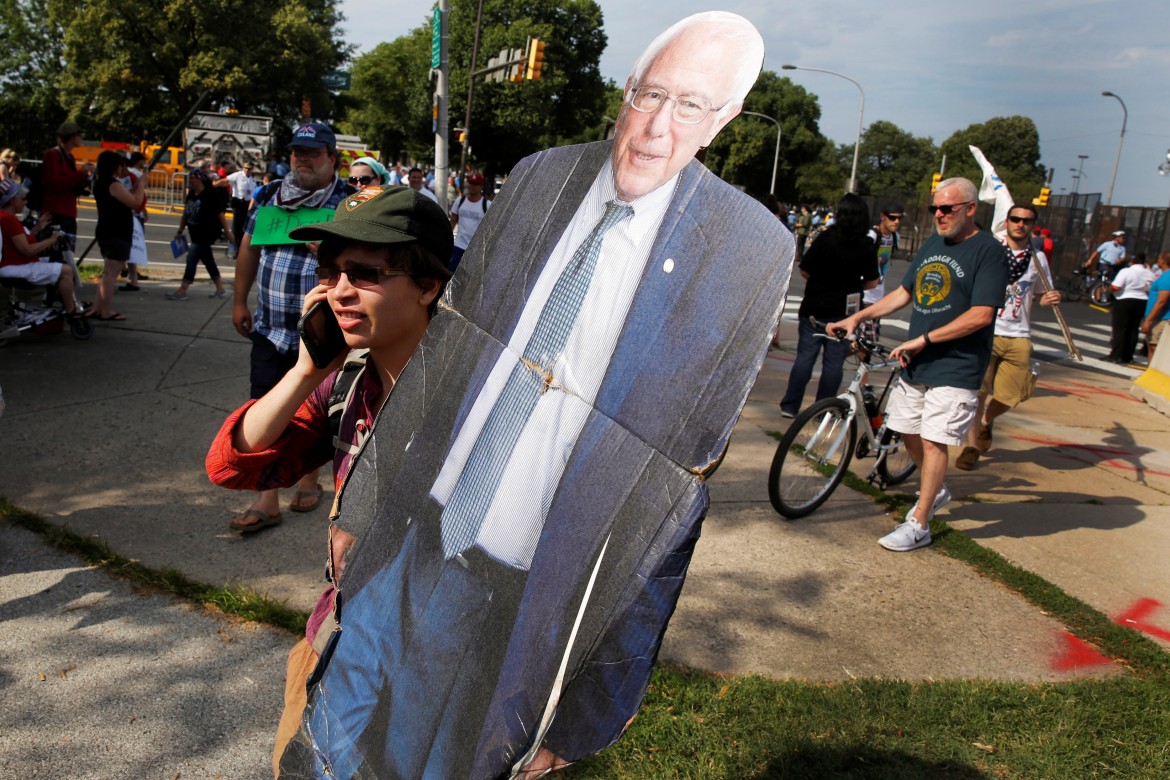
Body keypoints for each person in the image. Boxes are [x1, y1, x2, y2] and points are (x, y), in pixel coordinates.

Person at [276, 13, 792, 778]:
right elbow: (445, 356)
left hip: (513, 589)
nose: (657, 129)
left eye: (692, 107)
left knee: (415, 764)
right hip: (416, 529)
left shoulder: (744, 250)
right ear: (625, 93)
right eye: (652, 96)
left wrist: (585, 707)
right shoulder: (543, 178)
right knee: (321, 741)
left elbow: (668, 503)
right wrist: (365, 504)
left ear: (724, 122)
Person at [205, 185, 453, 776]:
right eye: (331, 270)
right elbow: (234, 464)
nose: (339, 291)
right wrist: (306, 369)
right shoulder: (345, 387)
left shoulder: (473, 400)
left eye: (364, 273)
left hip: (439, 669)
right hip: (336, 640)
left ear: (428, 285)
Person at [827, 178, 1008, 552]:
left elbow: (982, 314)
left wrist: (925, 339)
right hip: (917, 362)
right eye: (934, 209)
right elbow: (903, 293)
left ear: (971, 209)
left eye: (947, 209)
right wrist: (858, 317)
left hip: (956, 365)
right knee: (905, 429)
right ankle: (934, 488)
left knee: (933, 440)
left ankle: (919, 523)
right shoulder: (932, 245)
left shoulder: (988, 252)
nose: (939, 216)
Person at [228, 122, 351, 532]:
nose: (302, 159)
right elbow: (248, 249)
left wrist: (331, 250)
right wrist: (238, 299)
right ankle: (267, 499)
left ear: (332, 158)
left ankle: (308, 478)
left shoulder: (348, 202)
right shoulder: (269, 195)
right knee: (264, 405)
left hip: (321, 332)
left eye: (313, 153)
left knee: (312, 411)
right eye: (298, 151)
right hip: (270, 328)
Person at [955, 203, 1061, 471]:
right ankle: (971, 446)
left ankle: (986, 422)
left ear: (1032, 225)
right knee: (977, 392)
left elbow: (1040, 293)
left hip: (1019, 333)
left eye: (1026, 221)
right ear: (1007, 221)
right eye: (1015, 219)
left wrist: (1049, 299)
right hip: (987, 329)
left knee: (1013, 394)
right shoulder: (991, 249)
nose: (1020, 224)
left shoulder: (1038, 258)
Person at [779, 193, 879, 417]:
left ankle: (790, 405)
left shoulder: (826, 238)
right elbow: (873, 281)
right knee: (833, 363)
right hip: (844, 312)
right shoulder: (866, 245)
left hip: (815, 306)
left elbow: (805, 269)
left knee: (805, 357)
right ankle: (823, 410)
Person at [0, 179, 82, 320]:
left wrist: (37, 228)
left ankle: (55, 302)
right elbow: (28, 250)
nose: (26, 202)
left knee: (56, 262)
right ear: (13, 200)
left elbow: (19, 240)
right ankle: (71, 311)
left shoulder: (7, 218)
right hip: (15, 265)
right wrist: (51, 240)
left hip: (15, 262)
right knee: (66, 270)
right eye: (23, 199)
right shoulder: (9, 220)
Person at [89, 150, 146, 321]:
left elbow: (128, 196)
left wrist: (136, 188)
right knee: (112, 273)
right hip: (116, 232)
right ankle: (106, 310)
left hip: (108, 230)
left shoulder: (101, 183)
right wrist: (142, 184)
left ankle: (97, 307)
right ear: (115, 166)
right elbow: (135, 203)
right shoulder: (113, 184)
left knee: (108, 272)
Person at [166, 169, 229, 300]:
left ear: (200, 180)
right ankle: (220, 288)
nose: (191, 180)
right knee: (208, 260)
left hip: (205, 233)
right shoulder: (191, 195)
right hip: (194, 232)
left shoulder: (209, 195)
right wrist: (180, 230)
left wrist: (228, 232)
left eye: (193, 178)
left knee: (191, 259)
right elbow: (186, 213)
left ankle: (183, 289)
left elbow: (220, 214)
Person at [40, 122, 94, 243]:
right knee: (57, 251)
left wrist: (85, 177)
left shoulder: (70, 157)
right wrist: (81, 174)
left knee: (68, 251)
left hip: (67, 211)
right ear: (71, 137)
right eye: (79, 135)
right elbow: (56, 182)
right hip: (56, 211)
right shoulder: (53, 155)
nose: (81, 138)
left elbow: (70, 181)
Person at [859, 202, 903, 344]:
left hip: (878, 296)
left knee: (866, 340)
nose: (896, 222)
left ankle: (848, 361)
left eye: (899, 218)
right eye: (892, 218)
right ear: (883, 216)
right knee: (868, 341)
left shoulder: (895, 237)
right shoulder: (872, 235)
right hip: (865, 295)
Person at [1107, 252, 1154, 365]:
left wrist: (1108, 290)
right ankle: (1128, 355)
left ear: (1132, 261)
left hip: (1125, 300)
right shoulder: (1149, 273)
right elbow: (1150, 287)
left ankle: (1116, 355)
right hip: (1142, 301)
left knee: (1120, 328)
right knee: (1133, 329)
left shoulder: (1127, 271)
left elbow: (1116, 286)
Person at [449, 171, 491, 271]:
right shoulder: (460, 201)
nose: (472, 186)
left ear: (481, 186)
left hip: (476, 250)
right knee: (452, 276)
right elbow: (452, 222)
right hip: (458, 246)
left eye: (475, 184)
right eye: (470, 183)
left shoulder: (487, 205)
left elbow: (491, 228)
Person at [120, 151, 150, 291]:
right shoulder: (133, 175)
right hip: (129, 214)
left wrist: (141, 209)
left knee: (130, 246)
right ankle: (131, 275)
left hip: (132, 214)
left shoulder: (132, 176)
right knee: (127, 246)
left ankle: (132, 277)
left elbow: (139, 196)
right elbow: (139, 195)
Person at [1141, 252, 1170, 361]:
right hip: (1160, 318)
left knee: (1154, 349)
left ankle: (1151, 375)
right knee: (1153, 349)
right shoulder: (1164, 276)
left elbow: (1161, 301)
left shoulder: (1167, 278)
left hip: (1161, 319)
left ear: (1163, 260)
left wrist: (1148, 321)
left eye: (1159, 258)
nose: (1157, 260)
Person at [225, 161, 257, 256]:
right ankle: (232, 248)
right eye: (246, 168)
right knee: (235, 227)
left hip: (246, 205)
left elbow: (253, 195)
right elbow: (225, 180)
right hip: (238, 202)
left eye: (249, 169)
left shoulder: (252, 180)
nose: (247, 170)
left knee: (243, 229)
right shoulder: (238, 175)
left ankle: (239, 248)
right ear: (243, 168)